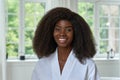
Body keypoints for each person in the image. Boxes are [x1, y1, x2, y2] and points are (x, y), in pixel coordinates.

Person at [32, 7, 100, 80]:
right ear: (50, 32)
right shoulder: (41, 64)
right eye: (58, 29)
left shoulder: (88, 64)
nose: (62, 34)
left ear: (76, 33)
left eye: (68, 30)